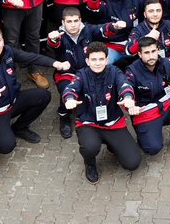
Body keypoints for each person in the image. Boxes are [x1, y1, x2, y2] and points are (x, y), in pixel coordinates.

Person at [0, 27, 69, 151]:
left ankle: (19, 128)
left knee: (43, 96)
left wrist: (56, 63)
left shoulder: (8, 51)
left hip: (13, 102)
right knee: (6, 146)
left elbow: (32, 57)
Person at [61, 41, 142, 183]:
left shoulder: (115, 71)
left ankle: (112, 145)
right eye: (93, 59)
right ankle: (90, 164)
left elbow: (124, 84)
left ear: (107, 59)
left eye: (101, 59)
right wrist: (69, 99)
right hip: (89, 123)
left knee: (132, 163)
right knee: (90, 147)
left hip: (113, 123)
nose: (97, 63)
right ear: (87, 61)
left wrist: (128, 97)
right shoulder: (82, 74)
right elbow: (71, 88)